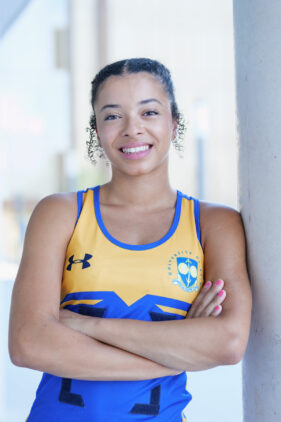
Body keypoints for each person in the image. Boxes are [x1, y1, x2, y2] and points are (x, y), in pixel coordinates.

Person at [9, 58, 252, 421]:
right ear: (96, 129)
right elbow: (28, 343)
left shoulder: (213, 224)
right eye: (112, 116)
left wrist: (84, 324)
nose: (132, 129)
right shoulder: (60, 214)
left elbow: (229, 343)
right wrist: (177, 347)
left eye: (149, 112)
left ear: (174, 122)